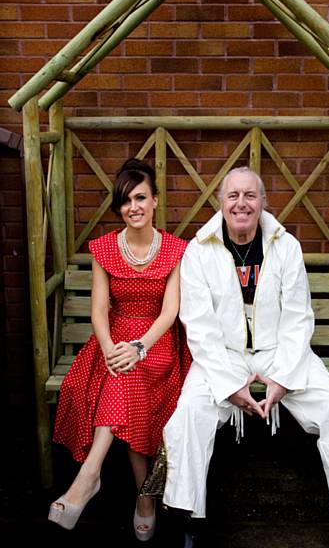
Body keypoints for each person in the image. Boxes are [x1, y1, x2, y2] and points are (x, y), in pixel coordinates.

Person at [161, 166, 329, 548]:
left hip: (281, 352)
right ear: (220, 203)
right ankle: (188, 522)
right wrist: (230, 386)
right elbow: (198, 326)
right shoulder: (199, 250)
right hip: (225, 356)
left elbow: (298, 318)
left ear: (263, 202)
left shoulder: (285, 245)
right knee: (188, 417)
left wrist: (281, 378)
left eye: (250, 195)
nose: (241, 203)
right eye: (233, 195)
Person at [48, 158, 190, 541]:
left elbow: (170, 311)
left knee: (130, 375)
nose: (134, 207)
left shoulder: (176, 249)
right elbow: (98, 310)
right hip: (113, 338)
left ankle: (88, 477)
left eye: (141, 197)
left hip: (157, 343)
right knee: (124, 380)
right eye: (126, 201)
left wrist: (140, 347)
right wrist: (111, 349)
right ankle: (144, 497)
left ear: (156, 201)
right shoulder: (105, 249)